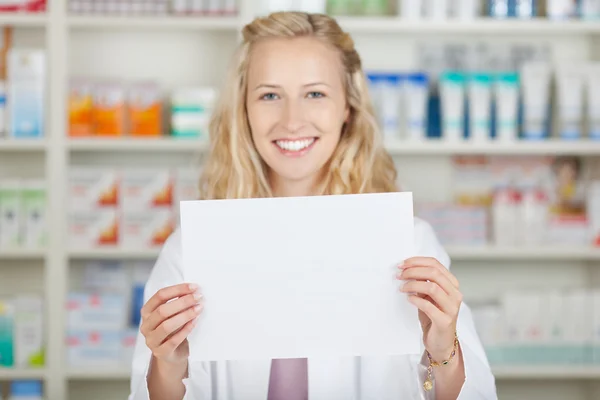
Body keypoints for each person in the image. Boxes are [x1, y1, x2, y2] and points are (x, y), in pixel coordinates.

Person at [128, 11, 497, 400]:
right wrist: (168, 365)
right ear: (244, 110)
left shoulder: (410, 243)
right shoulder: (190, 251)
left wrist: (444, 352)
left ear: (347, 109)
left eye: (315, 94)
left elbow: (477, 395)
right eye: (270, 95)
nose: (292, 120)